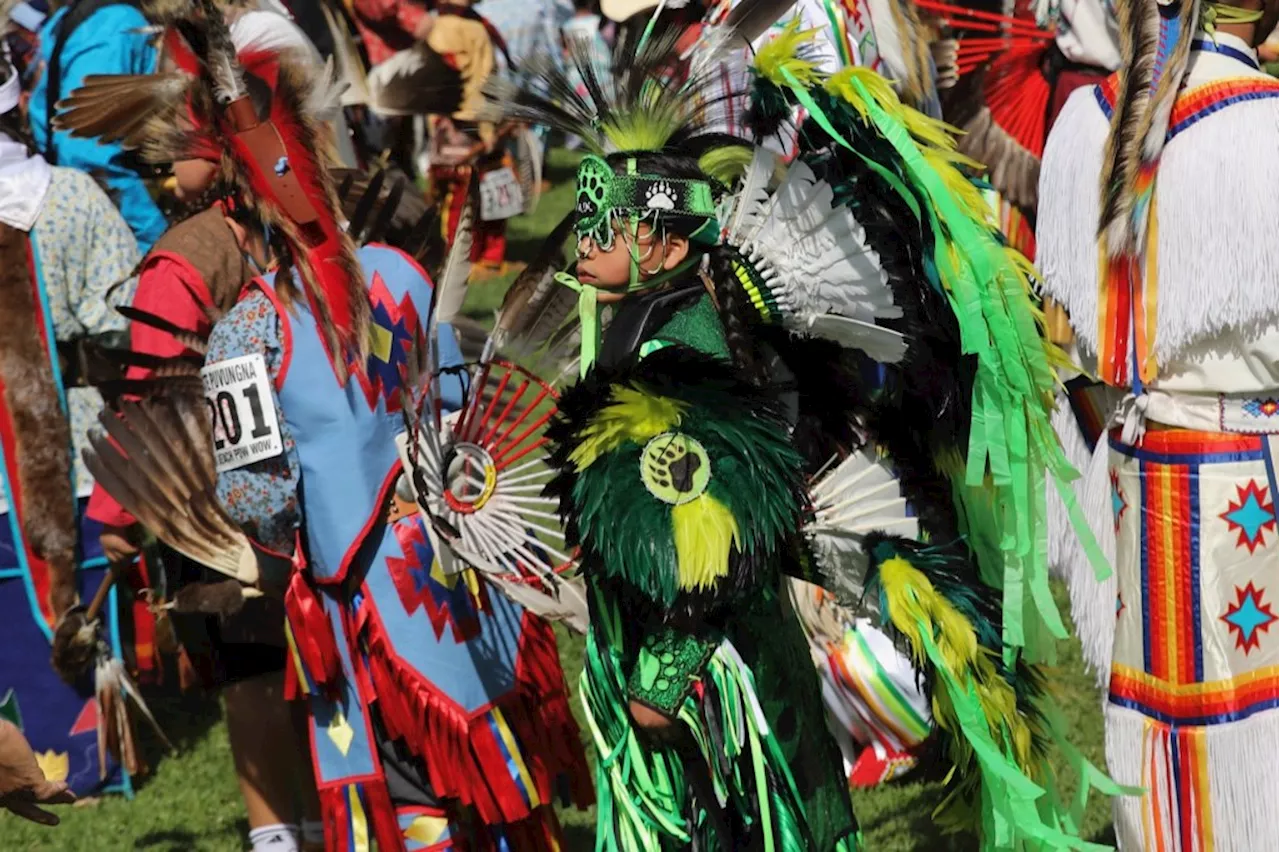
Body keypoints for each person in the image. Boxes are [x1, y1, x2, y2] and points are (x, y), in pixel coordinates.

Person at [488, 12, 1117, 848]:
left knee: (766, 823)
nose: (588, 244)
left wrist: (659, 681)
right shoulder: (645, 331)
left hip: (724, 683)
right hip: (701, 677)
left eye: (610, 228)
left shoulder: (684, 355)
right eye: (590, 225)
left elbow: (709, 547)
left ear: (664, 245)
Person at [61, 9, 592, 849]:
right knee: (491, 768)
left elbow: (256, 497)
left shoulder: (246, 330)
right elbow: (457, 406)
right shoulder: (400, 273)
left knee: (407, 786)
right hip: (457, 569)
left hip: (357, 599)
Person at [1037, 0, 1280, 845]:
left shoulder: (1087, 124)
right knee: (1254, 748)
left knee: (1161, 746)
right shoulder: (1266, 130)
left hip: (1137, 482)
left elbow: (1063, 340)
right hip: (1246, 495)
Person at [0, 51, 142, 796]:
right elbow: (129, 317)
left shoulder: (73, 196)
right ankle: (86, 764)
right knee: (78, 590)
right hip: (83, 457)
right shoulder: (76, 197)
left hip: (17, 473)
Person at [27, 0, 167, 251]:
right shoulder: (117, 24)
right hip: (113, 224)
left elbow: (42, 119)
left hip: (75, 199)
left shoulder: (72, 16)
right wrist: (157, 236)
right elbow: (84, 151)